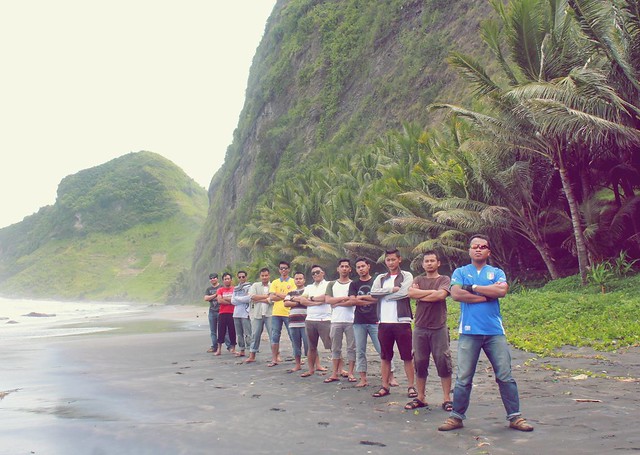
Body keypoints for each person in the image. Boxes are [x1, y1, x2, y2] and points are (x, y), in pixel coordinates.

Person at [438, 235, 534, 432]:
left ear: (488, 251)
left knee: (505, 375)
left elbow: (501, 292)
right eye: (475, 247)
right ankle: (456, 416)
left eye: (482, 247)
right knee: (464, 377)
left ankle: (515, 416)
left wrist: (472, 288)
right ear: (470, 250)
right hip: (469, 332)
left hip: (494, 332)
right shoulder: (461, 271)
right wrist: (485, 296)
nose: (478, 249)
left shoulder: (496, 272)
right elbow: (456, 294)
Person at [405, 251, 452, 411]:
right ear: (423, 264)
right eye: (427, 261)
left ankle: (446, 398)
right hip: (419, 327)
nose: (429, 263)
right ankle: (421, 397)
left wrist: (421, 295)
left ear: (438, 263)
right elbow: (410, 293)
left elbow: (440, 296)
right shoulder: (418, 279)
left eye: (432, 260)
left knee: (443, 361)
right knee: (419, 361)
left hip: (439, 327)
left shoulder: (444, 279)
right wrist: (431, 293)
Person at [370, 249, 416, 398]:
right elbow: (373, 293)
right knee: (385, 356)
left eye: (393, 259)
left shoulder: (407, 275)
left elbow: (405, 293)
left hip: (402, 321)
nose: (390, 262)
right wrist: (390, 289)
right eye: (388, 260)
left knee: (407, 356)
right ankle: (384, 386)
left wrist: (386, 296)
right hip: (384, 322)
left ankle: (411, 386)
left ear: (399, 260)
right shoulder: (381, 278)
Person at [349, 257, 397, 388]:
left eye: (363, 266)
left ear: (368, 266)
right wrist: (370, 299)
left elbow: (378, 299)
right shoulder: (353, 284)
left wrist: (362, 298)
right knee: (360, 350)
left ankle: (391, 377)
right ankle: (363, 378)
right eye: (358, 267)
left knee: (383, 349)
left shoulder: (377, 281)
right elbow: (352, 301)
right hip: (358, 321)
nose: (361, 269)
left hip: (375, 320)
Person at [323, 259, 356, 383]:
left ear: (350, 269)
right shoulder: (332, 284)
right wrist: (343, 299)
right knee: (335, 348)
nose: (344, 269)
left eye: (347, 266)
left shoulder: (353, 284)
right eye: (342, 266)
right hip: (336, 320)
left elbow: (353, 301)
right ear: (338, 269)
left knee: (351, 348)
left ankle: (351, 373)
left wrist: (336, 302)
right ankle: (334, 373)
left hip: (351, 320)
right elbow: (327, 300)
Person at [298, 265, 331, 378]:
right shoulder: (309, 287)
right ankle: (311, 369)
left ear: (323, 273)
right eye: (313, 273)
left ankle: (339, 370)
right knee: (311, 347)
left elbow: (326, 297)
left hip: (325, 319)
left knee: (332, 346)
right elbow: (302, 300)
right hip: (310, 319)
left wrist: (311, 299)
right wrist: (316, 302)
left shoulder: (329, 284)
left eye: (318, 272)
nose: (316, 274)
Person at [268, 261, 296, 367]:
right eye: (281, 268)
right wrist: (284, 296)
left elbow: (292, 296)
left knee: (292, 335)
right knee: (275, 336)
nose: (283, 270)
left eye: (285, 268)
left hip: (289, 312)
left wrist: (277, 294)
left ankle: (297, 357)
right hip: (276, 313)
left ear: (289, 269)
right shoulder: (275, 282)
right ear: (279, 270)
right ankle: (274, 359)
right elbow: (271, 297)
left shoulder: (293, 281)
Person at [246, 267, 272, 363]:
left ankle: (276, 356)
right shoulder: (255, 285)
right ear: (260, 276)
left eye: (266, 275)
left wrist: (258, 299)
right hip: (257, 314)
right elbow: (252, 297)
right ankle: (252, 355)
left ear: (269, 276)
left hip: (270, 314)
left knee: (273, 335)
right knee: (255, 335)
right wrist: (267, 297)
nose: (264, 277)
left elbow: (273, 299)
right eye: (262, 275)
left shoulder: (273, 285)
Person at [284, 271, 309, 373]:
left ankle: (317, 364)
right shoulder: (290, 292)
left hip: (306, 322)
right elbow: (286, 303)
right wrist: (300, 300)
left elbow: (308, 302)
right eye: (296, 279)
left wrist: (294, 301)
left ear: (304, 280)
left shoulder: (308, 291)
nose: (298, 280)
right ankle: (298, 365)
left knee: (310, 344)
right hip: (293, 322)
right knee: (296, 344)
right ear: (294, 280)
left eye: (300, 278)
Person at [213, 273, 236, 356]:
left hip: (232, 313)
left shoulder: (234, 289)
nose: (227, 280)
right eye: (225, 279)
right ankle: (219, 349)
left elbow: (235, 300)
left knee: (232, 331)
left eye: (228, 278)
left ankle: (233, 348)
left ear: (231, 280)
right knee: (221, 331)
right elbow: (219, 300)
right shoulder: (220, 290)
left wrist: (225, 299)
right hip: (222, 313)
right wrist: (230, 301)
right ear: (223, 281)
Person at [231, 270, 252, 357]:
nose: (241, 278)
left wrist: (238, 298)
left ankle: (251, 351)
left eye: (243, 277)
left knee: (248, 333)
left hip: (245, 313)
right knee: (239, 334)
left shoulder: (250, 287)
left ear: (246, 277)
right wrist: (241, 298)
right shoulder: (235, 288)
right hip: (236, 314)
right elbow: (232, 301)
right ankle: (242, 350)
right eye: (239, 277)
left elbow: (249, 298)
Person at [204, 273, 222, 353]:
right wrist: (215, 295)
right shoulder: (208, 289)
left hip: (221, 311)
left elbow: (223, 296)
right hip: (212, 311)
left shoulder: (221, 287)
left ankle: (230, 346)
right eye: (211, 278)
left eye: (214, 278)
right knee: (213, 331)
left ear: (217, 278)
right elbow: (205, 298)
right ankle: (214, 346)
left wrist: (213, 297)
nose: (213, 279)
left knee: (224, 330)